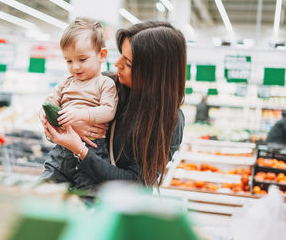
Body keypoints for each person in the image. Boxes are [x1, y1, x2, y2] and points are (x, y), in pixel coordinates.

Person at [43, 21, 186, 187]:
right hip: (63, 177)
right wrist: (70, 126)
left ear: (154, 73)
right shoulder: (105, 83)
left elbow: (136, 183)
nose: (118, 63)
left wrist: (80, 150)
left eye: (128, 62)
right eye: (120, 55)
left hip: (108, 201)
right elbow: (52, 123)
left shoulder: (169, 121)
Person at [40, 17, 118, 189]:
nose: (75, 67)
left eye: (82, 60)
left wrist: (80, 115)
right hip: (62, 151)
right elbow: (49, 102)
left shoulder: (105, 83)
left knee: (87, 196)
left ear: (102, 55)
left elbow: (108, 111)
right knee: (44, 190)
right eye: (69, 61)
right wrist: (43, 114)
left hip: (92, 149)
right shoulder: (66, 83)